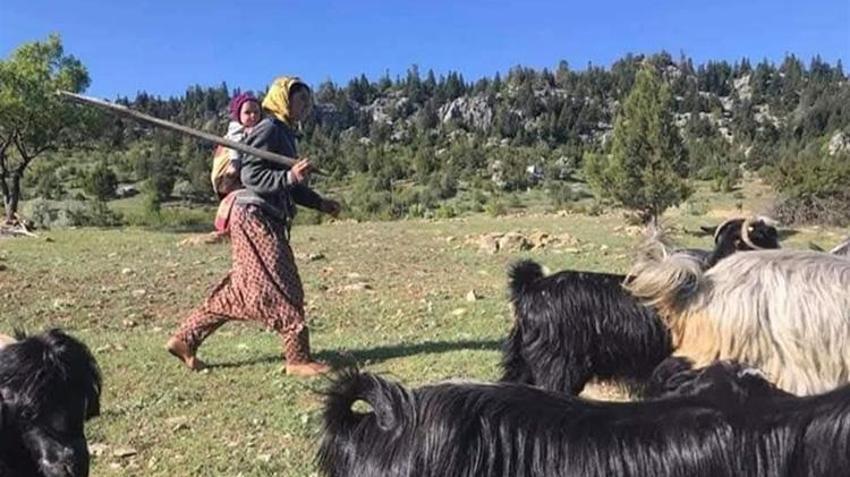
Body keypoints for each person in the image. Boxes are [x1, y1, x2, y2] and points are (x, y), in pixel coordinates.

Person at [167, 76, 340, 376]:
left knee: (239, 289)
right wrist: (289, 177)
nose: (305, 107)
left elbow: (289, 187)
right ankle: (297, 358)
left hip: (258, 216)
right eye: (300, 100)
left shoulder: (284, 133)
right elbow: (251, 175)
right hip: (255, 217)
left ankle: (185, 340)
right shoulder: (269, 128)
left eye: (308, 103)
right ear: (283, 99)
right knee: (284, 283)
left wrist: (319, 202)